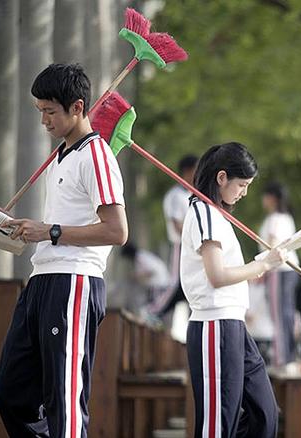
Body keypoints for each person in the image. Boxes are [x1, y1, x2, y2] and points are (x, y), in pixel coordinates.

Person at [0, 63, 128, 437]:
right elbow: (62, 224)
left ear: (78, 108)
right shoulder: (60, 157)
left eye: (50, 111)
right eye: (40, 112)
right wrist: (22, 227)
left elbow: (117, 231)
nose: (44, 121)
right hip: (41, 281)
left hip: (74, 283)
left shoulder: (97, 156)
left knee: (64, 401)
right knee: (9, 392)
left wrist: (48, 231)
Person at [180, 142, 287, 437]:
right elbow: (217, 276)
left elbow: (230, 273)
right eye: (242, 184)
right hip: (214, 325)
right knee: (217, 426)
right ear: (222, 178)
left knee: (264, 416)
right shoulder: (203, 212)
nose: (244, 192)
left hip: (234, 326)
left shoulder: (218, 215)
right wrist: (264, 265)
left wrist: (263, 262)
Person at [148, 154, 198, 320]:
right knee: (176, 283)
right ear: (187, 171)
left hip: (195, 247)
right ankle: (153, 310)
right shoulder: (176, 195)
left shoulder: (193, 195)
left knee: (192, 285)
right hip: (181, 245)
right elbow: (177, 224)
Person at [258, 182, 300, 366]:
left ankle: (282, 357)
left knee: (279, 313)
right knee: (285, 312)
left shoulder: (275, 219)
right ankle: (286, 355)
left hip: (278, 269)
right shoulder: (287, 218)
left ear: (272, 198)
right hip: (288, 270)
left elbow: (272, 243)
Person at [112, 242, 169, 319]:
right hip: (157, 285)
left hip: (158, 285)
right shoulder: (141, 256)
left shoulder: (140, 258)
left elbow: (151, 271)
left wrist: (135, 276)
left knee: (151, 311)